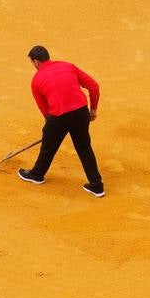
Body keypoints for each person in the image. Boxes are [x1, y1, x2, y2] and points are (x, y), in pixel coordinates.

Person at [17, 45, 105, 198]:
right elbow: (94, 87)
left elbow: (45, 111)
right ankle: (97, 186)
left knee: (48, 146)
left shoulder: (36, 80)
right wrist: (93, 110)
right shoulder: (67, 66)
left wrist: (52, 131)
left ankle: (37, 174)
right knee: (84, 147)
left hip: (59, 116)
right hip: (81, 112)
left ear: (36, 62)